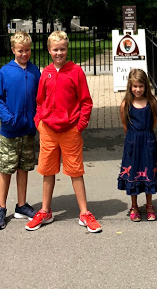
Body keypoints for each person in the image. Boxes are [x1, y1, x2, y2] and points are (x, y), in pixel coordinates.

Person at [26, 30, 102, 233]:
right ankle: (45, 210)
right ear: (49, 50)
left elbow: (85, 101)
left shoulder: (76, 71)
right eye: (55, 49)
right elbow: (40, 101)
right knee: (47, 171)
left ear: (67, 49)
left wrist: (80, 125)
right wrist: (39, 122)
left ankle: (84, 212)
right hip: (49, 130)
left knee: (76, 172)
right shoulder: (46, 73)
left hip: (70, 130)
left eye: (62, 49)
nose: (59, 53)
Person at [0, 32, 41, 229]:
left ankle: (21, 204)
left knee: (24, 167)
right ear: (13, 50)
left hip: (28, 129)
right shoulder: (5, 72)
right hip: (10, 130)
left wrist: (37, 119)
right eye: (20, 51)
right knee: (6, 169)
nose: (24, 54)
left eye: (27, 50)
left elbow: (40, 97)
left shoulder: (35, 71)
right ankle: (1, 207)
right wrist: (8, 118)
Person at [117, 68, 157, 222]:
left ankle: (149, 205)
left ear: (146, 86)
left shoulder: (152, 103)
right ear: (130, 86)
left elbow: (153, 123)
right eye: (135, 86)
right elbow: (124, 125)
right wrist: (134, 138)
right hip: (132, 144)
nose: (138, 89)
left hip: (148, 143)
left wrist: (145, 135)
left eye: (141, 86)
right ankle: (134, 206)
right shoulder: (126, 105)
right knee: (133, 173)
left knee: (149, 173)